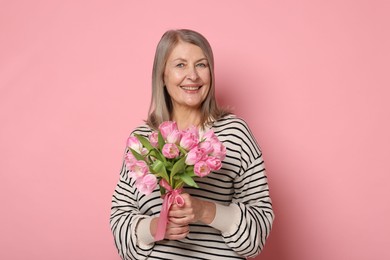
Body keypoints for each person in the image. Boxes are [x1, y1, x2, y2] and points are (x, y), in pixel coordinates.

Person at [110, 29, 274, 260]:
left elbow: (257, 235)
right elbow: (120, 222)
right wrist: (156, 226)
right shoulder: (143, 141)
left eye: (201, 65)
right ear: (162, 76)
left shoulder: (235, 134)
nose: (193, 76)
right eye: (180, 65)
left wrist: (204, 210)